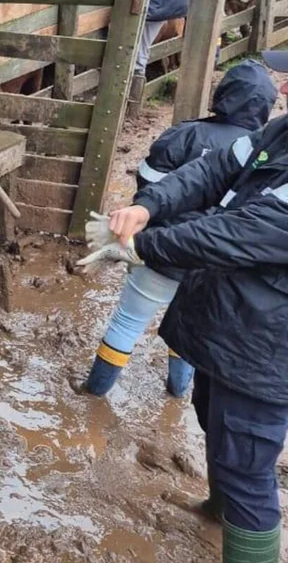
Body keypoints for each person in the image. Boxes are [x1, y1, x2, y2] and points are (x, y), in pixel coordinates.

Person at [80, 49, 288, 563]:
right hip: (229, 314)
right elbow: (215, 170)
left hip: (268, 343)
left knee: (246, 458)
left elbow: (240, 232)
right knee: (210, 413)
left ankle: (243, 526)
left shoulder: (186, 133)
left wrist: (143, 246)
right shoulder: (279, 132)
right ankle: (222, 511)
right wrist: (148, 207)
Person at [82, 60, 277, 398]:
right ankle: (175, 392)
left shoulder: (185, 133)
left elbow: (147, 181)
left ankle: (94, 393)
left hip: (158, 252)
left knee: (128, 320)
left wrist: (144, 227)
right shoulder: (263, 154)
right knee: (189, 327)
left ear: (224, 93)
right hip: (208, 263)